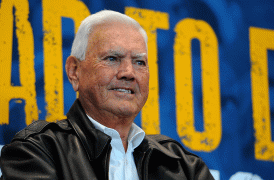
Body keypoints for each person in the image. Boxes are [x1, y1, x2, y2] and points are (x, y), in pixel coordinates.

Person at [0, 10, 214, 180]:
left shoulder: (183, 166)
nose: (128, 73)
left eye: (139, 62)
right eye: (112, 58)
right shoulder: (36, 152)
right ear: (74, 71)